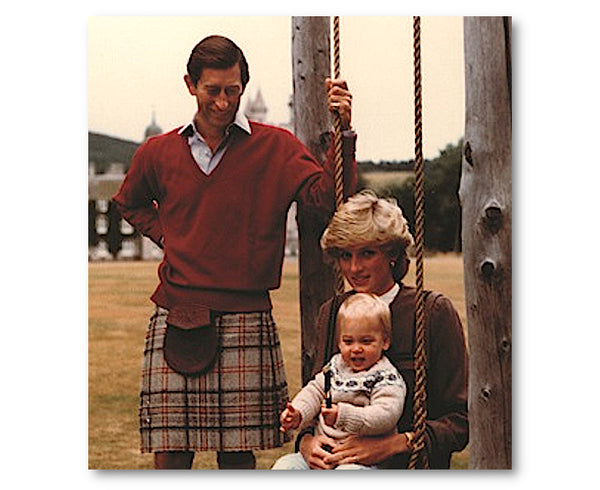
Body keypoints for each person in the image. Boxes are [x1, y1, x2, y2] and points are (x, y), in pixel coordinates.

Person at [112, 34, 356, 470]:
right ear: (190, 84)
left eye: (233, 90)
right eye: (213, 91)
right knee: (170, 454)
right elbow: (128, 203)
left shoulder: (276, 147)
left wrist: (345, 135)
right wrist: (168, 235)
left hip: (247, 313)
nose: (223, 102)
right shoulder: (158, 152)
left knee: (238, 458)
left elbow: (327, 200)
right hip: (177, 312)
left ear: (243, 85)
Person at [295, 190, 468, 469]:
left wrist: (396, 443)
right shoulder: (332, 312)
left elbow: (460, 421)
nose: (354, 268)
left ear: (391, 254)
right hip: (334, 459)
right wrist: (306, 443)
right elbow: (318, 394)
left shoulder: (433, 312)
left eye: (366, 253)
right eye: (345, 255)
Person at [272, 293, 407, 470]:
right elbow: (314, 391)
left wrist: (343, 416)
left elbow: (385, 416)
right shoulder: (336, 366)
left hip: (362, 462)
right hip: (323, 453)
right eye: (348, 341)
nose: (356, 349)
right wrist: (298, 412)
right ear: (339, 342)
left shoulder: (385, 376)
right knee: (285, 466)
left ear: (385, 342)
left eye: (366, 341)